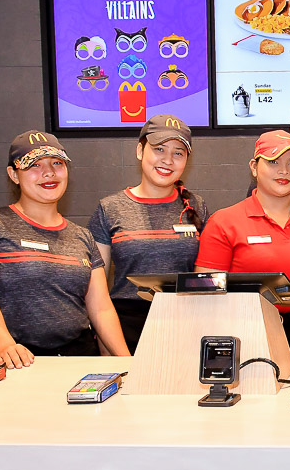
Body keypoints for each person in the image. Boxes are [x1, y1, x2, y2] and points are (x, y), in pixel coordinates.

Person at [0, 131, 130, 367]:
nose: (49, 172)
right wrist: (6, 347)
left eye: (57, 163)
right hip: (20, 361)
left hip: (80, 359)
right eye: (34, 165)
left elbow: (101, 310)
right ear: (14, 174)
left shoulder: (83, 236)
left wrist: (127, 362)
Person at [89, 115, 208, 352]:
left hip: (185, 322)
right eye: (159, 149)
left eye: (178, 153)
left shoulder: (197, 206)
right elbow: (96, 294)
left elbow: (206, 278)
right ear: (140, 151)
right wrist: (115, 354)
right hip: (126, 326)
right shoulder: (110, 208)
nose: (168, 160)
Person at [196, 130, 290, 353]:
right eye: (273, 161)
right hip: (242, 330)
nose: (284, 171)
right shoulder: (224, 222)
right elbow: (205, 294)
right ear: (254, 167)